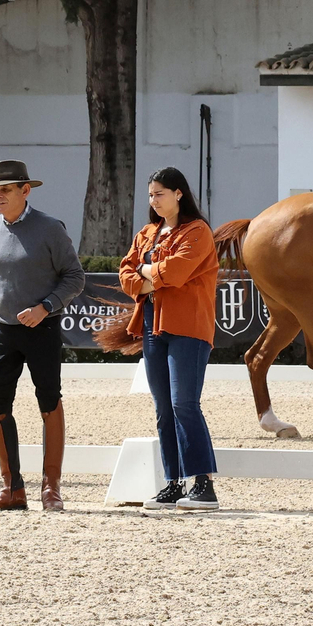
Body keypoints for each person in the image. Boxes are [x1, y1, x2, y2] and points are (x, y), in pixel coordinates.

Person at [0, 160, 86, 512]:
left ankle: (51, 487)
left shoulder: (49, 228)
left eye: (5, 190)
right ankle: (12, 489)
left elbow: (75, 277)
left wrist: (46, 306)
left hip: (41, 329)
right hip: (1, 331)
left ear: (25, 191)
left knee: (49, 400)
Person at [119, 167, 221, 512]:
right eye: (150, 195)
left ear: (179, 193)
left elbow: (175, 273)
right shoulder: (147, 232)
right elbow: (125, 275)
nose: (153, 200)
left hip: (188, 326)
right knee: (164, 408)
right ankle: (174, 483)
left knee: (184, 404)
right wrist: (153, 277)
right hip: (152, 324)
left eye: (159, 193)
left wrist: (146, 272)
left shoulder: (198, 231)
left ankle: (203, 484)